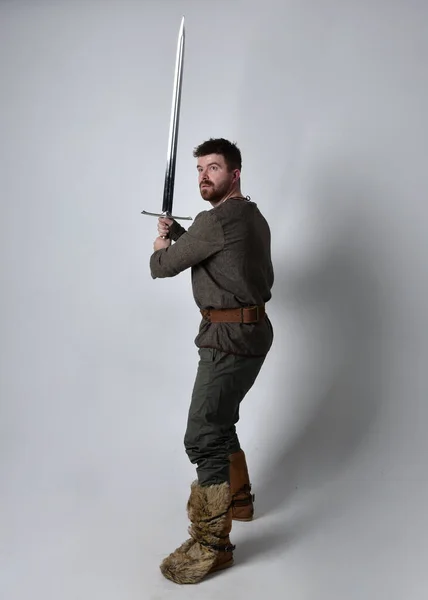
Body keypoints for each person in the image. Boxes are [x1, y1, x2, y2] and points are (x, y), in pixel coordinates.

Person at [149, 138, 274, 584]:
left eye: (214, 168)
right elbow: (220, 259)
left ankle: (213, 545)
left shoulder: (213, 219)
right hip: (254, 332)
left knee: (202, 433)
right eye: (200, 169)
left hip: (228, 338)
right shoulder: (251, 217)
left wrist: (163, 241)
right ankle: (239, 502)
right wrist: (185, 236)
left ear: (234, 173)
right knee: (221, 419)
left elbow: (162, 266)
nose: (204, 176)